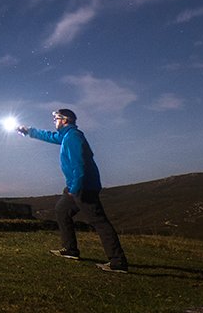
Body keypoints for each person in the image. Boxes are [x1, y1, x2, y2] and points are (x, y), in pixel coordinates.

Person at [17, 109, 129, 273]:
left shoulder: (74, 137)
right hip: (75, 186)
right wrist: (29, 131)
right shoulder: (66, 136)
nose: (54, 121)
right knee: (62, 210)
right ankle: (70, 250)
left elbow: (79, 165)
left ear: (65, 120)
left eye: (56, 118)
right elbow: (50, 136)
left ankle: (118, 262)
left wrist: (75, 189)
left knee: (99, 221)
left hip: (83, 187)